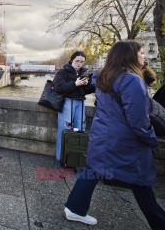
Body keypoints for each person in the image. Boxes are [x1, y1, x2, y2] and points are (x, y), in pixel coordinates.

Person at [63, 41, 165, 229]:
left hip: (102, 135)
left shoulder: (103, 76)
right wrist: (152, 140)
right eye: (141, 53)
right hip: (124, 140)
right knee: (141, 181)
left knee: (92, 170)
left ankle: (74, 208)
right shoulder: (132, 80)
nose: (144, 56)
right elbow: (138, 121)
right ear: (131, 56)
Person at [53, 51, 95, 161]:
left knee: (79, 129)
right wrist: (75, 84)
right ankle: (61, 157)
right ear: (72, 60)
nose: (79, 64)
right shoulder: (63, 72)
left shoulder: (84, 72)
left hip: (80, 102)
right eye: (77, 61)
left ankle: (75, 156)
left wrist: (87, 84)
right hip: (67, 103)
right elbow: (59, 87)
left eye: (82, 62)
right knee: (64, 129)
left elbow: (89, 90)